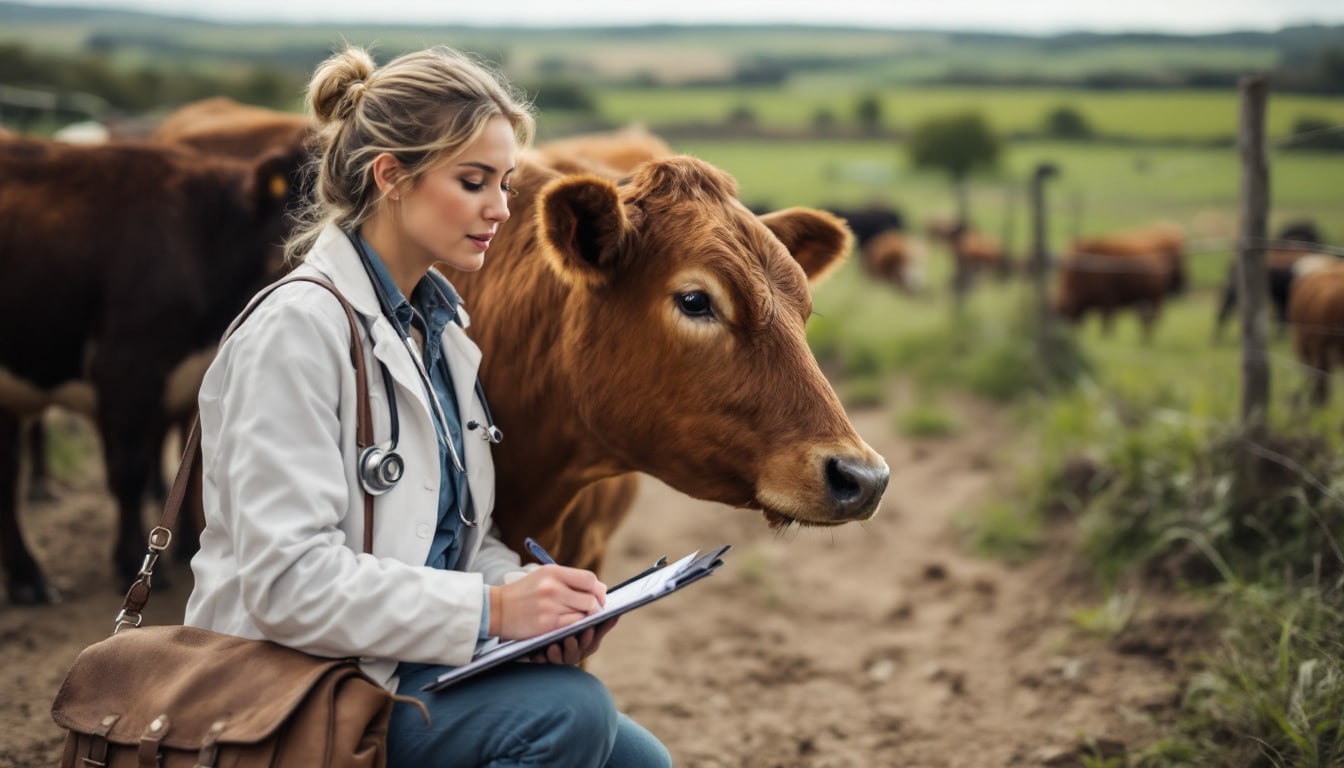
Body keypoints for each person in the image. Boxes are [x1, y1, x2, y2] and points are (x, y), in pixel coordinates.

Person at [183, 45, 672, 767]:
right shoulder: (297, 332)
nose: (502, 209)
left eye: (505, 183)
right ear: (392, 177)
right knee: (571, 716)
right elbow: (286, 585)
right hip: (291, 689)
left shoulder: (437, 329)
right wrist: (492, 612)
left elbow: (458, 543)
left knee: (639, 761)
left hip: (397, 663)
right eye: (474, 181)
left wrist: (533, 596)